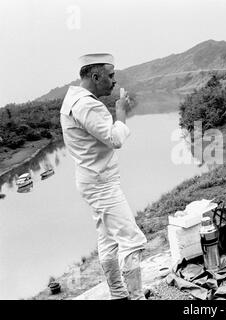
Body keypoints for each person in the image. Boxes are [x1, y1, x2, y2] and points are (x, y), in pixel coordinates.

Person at [60, 53, 147, 299]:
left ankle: (119, 294)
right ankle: (136, 296)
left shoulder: (74, 99)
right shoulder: (87, 104)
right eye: (110, 76)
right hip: (101, 184)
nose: (114, 81)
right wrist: (121, 111)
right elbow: (114, 139)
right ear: (95, 76)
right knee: (131, 240)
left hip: (91, 179)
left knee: (108, 240)